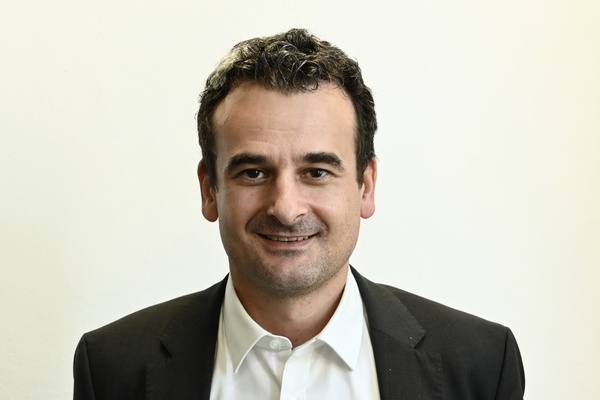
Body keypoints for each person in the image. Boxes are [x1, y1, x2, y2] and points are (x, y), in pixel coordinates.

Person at [73, 28, 525, 399]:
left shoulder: (481, 365)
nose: (286, 208)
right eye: (253, 172)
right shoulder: (112, 368)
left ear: (366, 186)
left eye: (316, 172)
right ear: (209, 190)